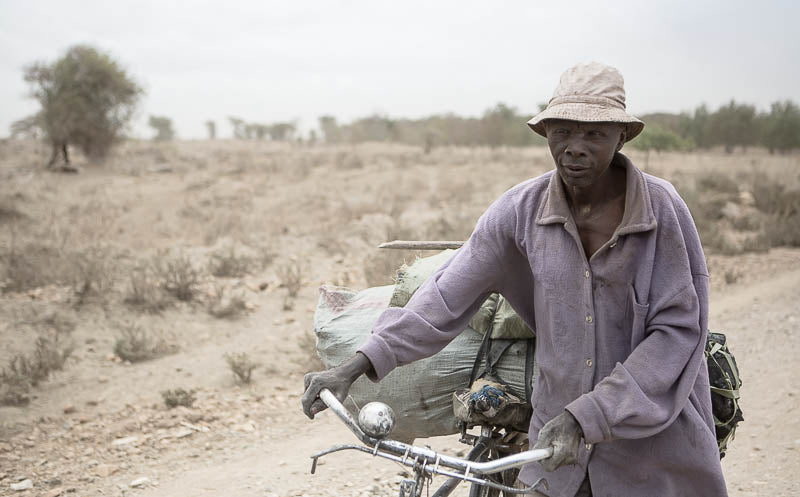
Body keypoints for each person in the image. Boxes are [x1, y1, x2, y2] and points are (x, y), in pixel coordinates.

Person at [301, 62, 728, 497]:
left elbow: (677, 331)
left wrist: (589, 415)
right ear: (546, 134)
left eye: (594, 134)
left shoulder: (662, 210)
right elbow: (445, 297)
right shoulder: (519, 211)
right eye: (562, 131)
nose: (574, 148)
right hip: (555, 450)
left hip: (651, 449)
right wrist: (354, 366)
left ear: (622, 137)